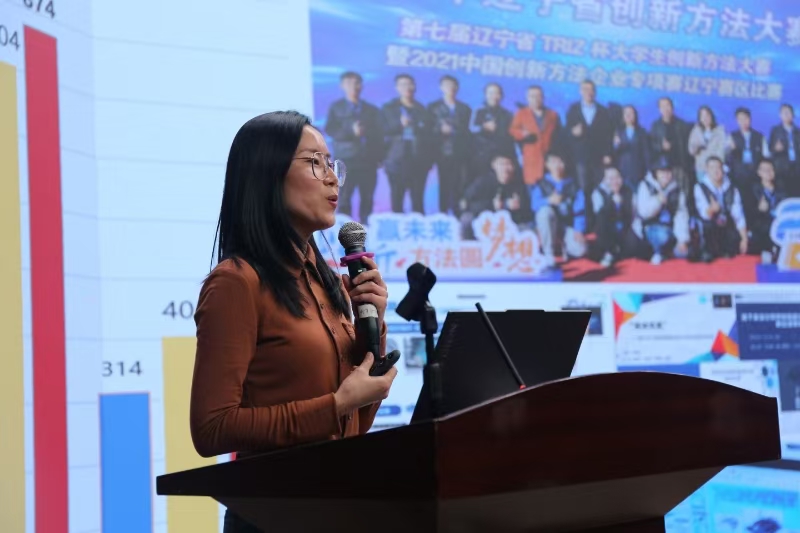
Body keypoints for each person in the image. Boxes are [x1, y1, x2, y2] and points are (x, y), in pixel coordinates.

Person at [190, 111, 398, 533]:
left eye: (332, 163)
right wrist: (336, 405)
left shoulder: (330, 283)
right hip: (272, 515)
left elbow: (350, 427)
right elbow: (211, 428)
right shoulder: (237, 282)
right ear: (268, 175)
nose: (332, 178)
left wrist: (372, 333)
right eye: (314, 163)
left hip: (338, 509)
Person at [324, 71, 383, 223]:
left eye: (357, 83)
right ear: (342, 86)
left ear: (361, 86)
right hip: (346, 159)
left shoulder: (372, 110)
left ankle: (366, 229)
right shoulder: (336, 107)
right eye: (349, 83)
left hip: (368, 160)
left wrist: (379, 157)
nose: (354, 86)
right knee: (344, 196)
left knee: (367, 197)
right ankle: (346, 230)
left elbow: (379, 134)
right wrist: (351, 131)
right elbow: (330, 129)